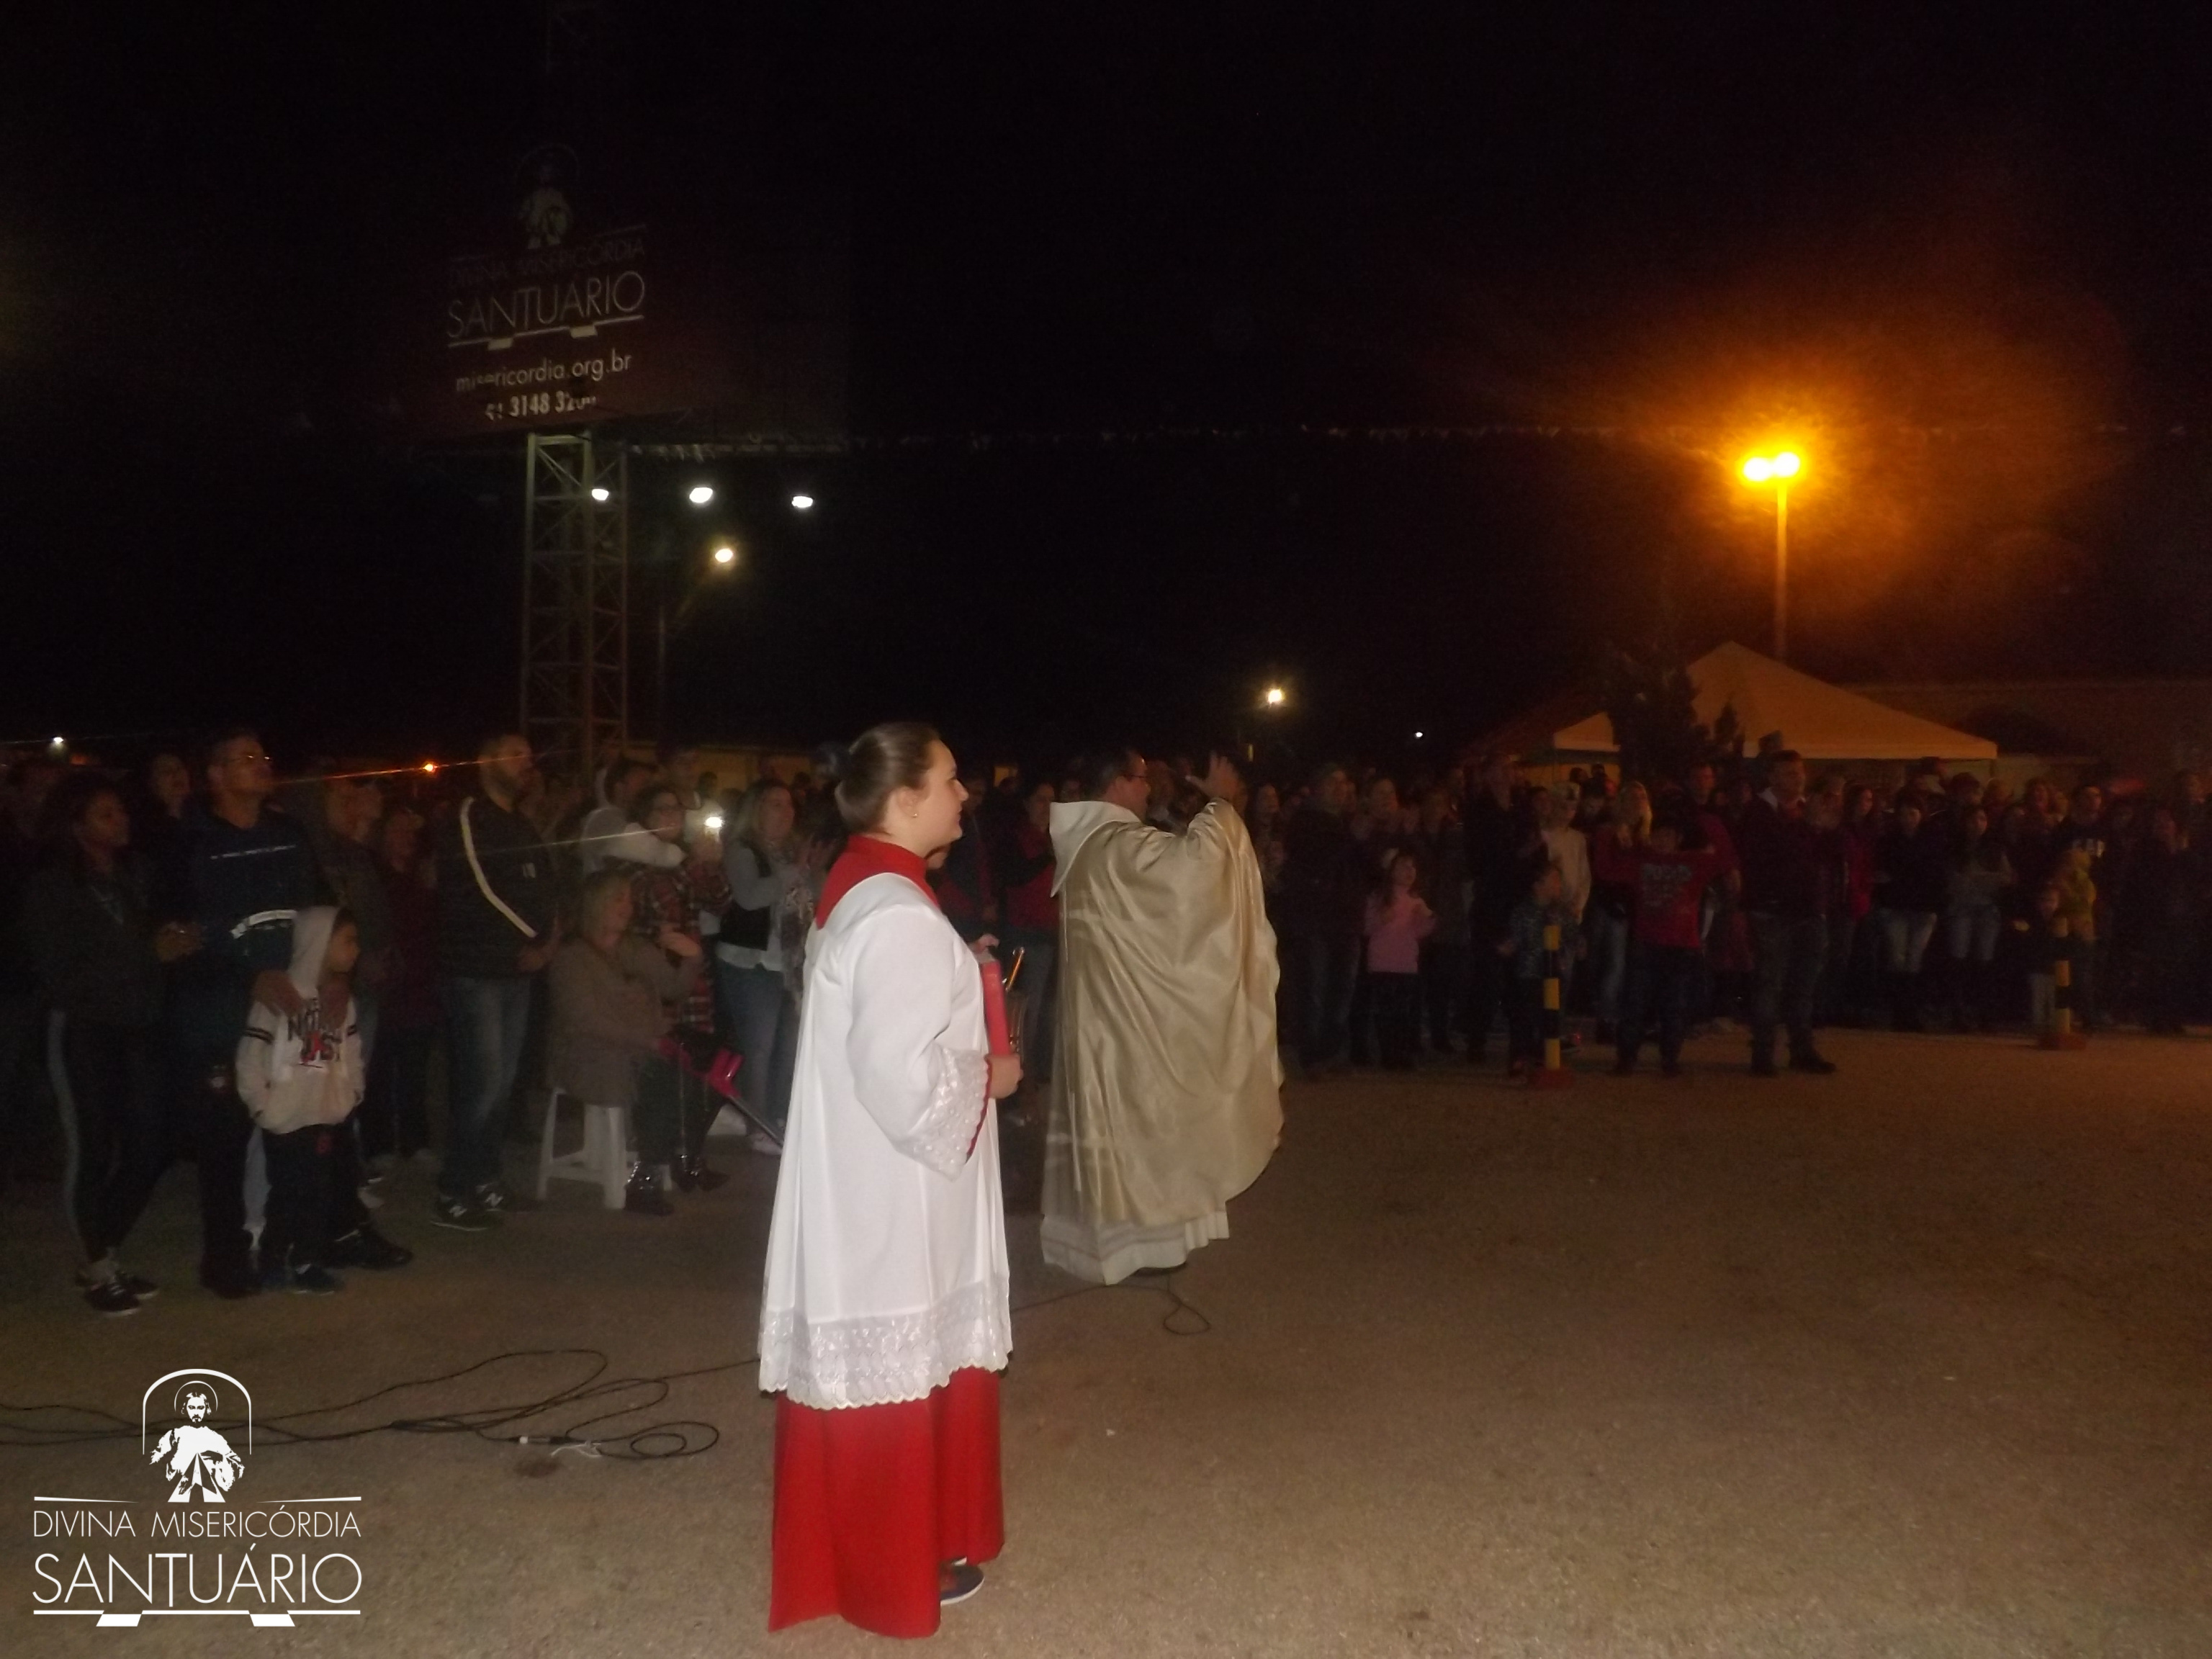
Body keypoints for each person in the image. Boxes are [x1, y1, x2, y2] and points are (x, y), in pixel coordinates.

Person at [760, 723, 1020, 1636]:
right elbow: (897, 1076)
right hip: (894, 1188)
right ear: (905, 799)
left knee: (902, 1363)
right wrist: (991, 1074)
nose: (964, 794)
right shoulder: (900, 914)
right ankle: (891, 1566)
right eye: (949, 780)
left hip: (874, 1176)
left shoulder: (868, 888)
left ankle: (904, 1547)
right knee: (898, 1369)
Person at [1040, 747, 1282, 1282]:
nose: (1148, 789)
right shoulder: (1117, 845)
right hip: (1127, 1025)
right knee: (1145, 1121)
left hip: (1109, 1017)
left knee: (1126, 1124)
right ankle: (1141, 1244)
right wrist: (1222, 805)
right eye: (1140, 779)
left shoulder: (1091, 844)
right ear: (1116, 783)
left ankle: (1128, 1242)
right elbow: (1193, 873)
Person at [24, 775, 200, 1314]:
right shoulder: (52, 887)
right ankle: (98, 1264)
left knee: (150, 1144)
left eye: (121, 811)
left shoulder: (133, 875)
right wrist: (149, 954)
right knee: (91, 1147)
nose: (121, 821)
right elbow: (59, 972)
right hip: (84, 1029)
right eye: (105, 814)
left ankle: (104, 1249)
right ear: (76, 826)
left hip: (138, 1025)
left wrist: (176, 942)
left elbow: (148, 944)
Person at [163, 728, 318, 1297]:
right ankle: (224, 1257)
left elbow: (317, 909)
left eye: (262, 755)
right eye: (245, 758)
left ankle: (288, 1244)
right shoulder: (188, 843)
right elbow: (176, 936)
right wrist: (246, 976)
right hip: (219, 1012)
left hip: (288, 1004)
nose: (260, 764)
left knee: (296, 1126)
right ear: (215, 775)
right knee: (225, 1138)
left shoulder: (289, 835)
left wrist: (327, 975)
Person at [433, 733, 559, 1230]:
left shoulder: (521, 823)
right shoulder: (470, 816)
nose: (526, 762)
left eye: (529, 754)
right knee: (481, 1084)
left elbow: (545, 883)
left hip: (517, 970)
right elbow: (481, 885)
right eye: (514, 754)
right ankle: (453, 1189)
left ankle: (486, 1178)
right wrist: (530, 937)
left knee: (504, 1084)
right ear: (485, 761)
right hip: (477, 971)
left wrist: (550, 936)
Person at [548, 867, 703, 1215]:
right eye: (618, 899)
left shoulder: (635, 949)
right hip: (589, 1052)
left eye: (629, 900)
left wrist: (692, 958)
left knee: (688, 1067)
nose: (627, 907)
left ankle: (672, 1160)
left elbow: (674, 989)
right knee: (658, 1073)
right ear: (595, 903)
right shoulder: (572, 957)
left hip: (637, 1047)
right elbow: (585, 1021)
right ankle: (652, 1174)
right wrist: (646, 1040)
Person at [235, 907, 363, 1293]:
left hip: (323, 1114)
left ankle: (307, 1261)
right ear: (318, 941)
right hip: (284, 1118)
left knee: (318, 1191)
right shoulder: (278, 997)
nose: (356, 950)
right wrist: (263, 1105)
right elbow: (250, 1057)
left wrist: (350, 1095)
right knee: (287, 1191)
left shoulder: (340, 1001)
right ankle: (272, 1257)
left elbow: (351, 1053)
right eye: (348, 941)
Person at [627, 782, 734, 1188]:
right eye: (662, 809)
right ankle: (655, 1170)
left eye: (677, 809)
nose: (672, 816)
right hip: (661, 988)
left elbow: (721, 901)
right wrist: (696, 864)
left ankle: (689, 1159)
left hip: (691, 984)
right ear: (644, 818)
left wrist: (710, 864)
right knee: (667, 1080)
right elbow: (665, 909)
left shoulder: (679, 862)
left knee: (698, 1074)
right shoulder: (637, 862)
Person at [1592, 809, 1735, 1076]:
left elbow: (1725, 859)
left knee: (1675, 1006)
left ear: (1678, 839)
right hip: (1646, 943)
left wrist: (1707, 819)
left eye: (1668, 836)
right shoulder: (1642, 861)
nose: (1662, 841)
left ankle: (1670, 1059)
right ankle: (1627, 1058)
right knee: (1634, 1004)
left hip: (1681, 947)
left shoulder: (1694, 862)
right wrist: (1605, 836)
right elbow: (1606, 870)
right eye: (1658, 835)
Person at [1734, 750, 1841, 1076]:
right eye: (1790, 773)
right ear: (1772, 777)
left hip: (1809, 908)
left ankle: (1802, 1049)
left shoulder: (1807, 811)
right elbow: (1770, 857)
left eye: (1800, 772)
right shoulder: (1758, 813)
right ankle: (1763, 1053)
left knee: (1803, 985)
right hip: (1772, 910)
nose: (1798, 779)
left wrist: (1829, 830)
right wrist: (1809, 828)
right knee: (1770, 983)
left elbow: (1830, 857)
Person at [718, 778, 809, 1151]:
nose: (786, 812)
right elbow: (750, 897)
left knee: (789, 1046)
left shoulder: (793, 853)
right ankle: (757, 1126)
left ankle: (780, 1117)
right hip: (750, 961)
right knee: (759, 1047)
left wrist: (808, 871)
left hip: (788, 962)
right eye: (775, 804)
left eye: (789, 805)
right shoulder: (742, 850)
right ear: (755, 810)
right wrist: (794, 871)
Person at [1276, 764, 1367, 1072]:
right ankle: (1312, 1054)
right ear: (1316, 788)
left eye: (1344, 782)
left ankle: (1329, 1050)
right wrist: (1352, 840)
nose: (1340, 789)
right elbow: (1316, 863)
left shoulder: (1348, 822)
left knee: (1342, 991)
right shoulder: (1303, 823)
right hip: (1315, 920)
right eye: (1332, 782)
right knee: (1314, 988)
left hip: (1347, 919)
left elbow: (1366, 870)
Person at [1463, 753, 1546, 1066]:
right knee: (1487, 974)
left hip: (1521, 902)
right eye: (1502, 767)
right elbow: (1480, 861)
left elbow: (1537, 848)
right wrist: (1518, 855)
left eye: (1511, 767)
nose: (1509, 773)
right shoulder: (1479, 812)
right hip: (1493, 903)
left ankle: (1521, 1045)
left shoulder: (1523, 808)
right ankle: (1476, 1039)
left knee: (1522, 977)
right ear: (1488, 775)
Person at [1871, 793, 1947, 1032]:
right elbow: (1883, 874)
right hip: (1896, 906)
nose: (1907, 819)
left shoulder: (1933, 840)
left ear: (1921, 815)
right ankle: (1900, 1011)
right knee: (1897, 957)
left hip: (1923, 907)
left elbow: (1933, 873)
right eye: (1903, 814)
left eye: (1912, 813)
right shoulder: (1889, 841)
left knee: (1914, 958)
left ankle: (1910, 1011)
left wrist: (1900, 876)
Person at [1498, 861, 1572, 1080]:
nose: (1559, 885)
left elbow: (1571, 934)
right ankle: (1519, 1057)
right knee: (1525, 1017)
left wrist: (1577, 946)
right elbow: (1515, 938)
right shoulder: (1523, 911)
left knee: (1550, 1017)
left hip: (1554, 975)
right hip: (1529, 974)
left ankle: (1545, 1057)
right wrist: (1508, 947)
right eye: (1554, 880)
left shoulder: (1561, 912)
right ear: (1538, 885)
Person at [1943, 804, 2013, 1030]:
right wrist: (1978, 880)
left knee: (1985, 961)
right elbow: (1951, 879)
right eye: (1973, 820)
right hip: (1961, 908)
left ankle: (1985, 1012)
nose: (1978, 824)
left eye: (1982, 819)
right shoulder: (1954, 848)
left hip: (1987, 908)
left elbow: (2007, 877)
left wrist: (1980, 878)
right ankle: (1958, 1012)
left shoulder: (1994, 849)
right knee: (1958, 959)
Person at [1364, 848, 1434, 1070]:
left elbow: (1420, 933)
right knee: (1386, 1011)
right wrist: (1381, 920)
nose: (1409, 871)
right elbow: (1366, 927)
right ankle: (1389, 1055)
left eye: (1412, 866)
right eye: (1403, 866)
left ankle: (1402, 1054)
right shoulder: (1378, 898)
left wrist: (1427, 919)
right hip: (1383, 964)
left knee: (1404, 1013)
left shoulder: (1415, 900)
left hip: (1407, 964)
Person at [578, 757, 688, 876]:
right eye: (644, 784)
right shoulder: (604, 818)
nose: (650, 790)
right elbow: (657, 853)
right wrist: (691, 858)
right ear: (619, 788)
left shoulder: (633, 820)